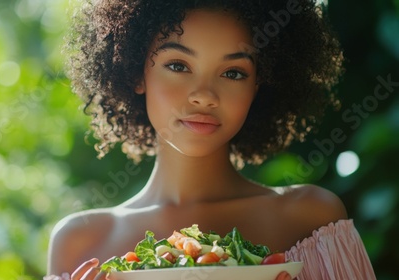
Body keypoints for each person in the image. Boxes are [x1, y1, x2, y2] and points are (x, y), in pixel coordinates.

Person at [46, 0, 376, 279]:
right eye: (178, 65)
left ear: (257, 86)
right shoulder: (79, 242)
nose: (204, 96)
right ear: (135, 74)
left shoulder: (312, 221)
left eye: (233, 72)